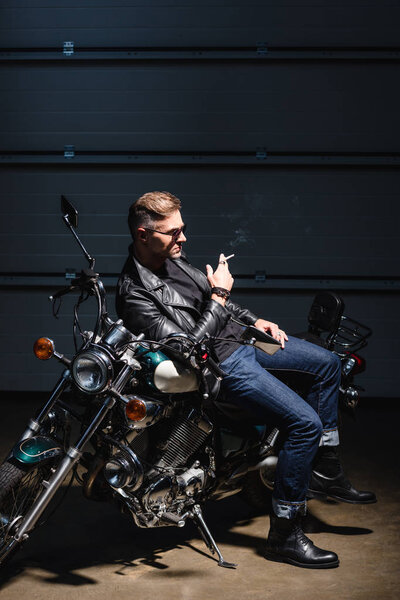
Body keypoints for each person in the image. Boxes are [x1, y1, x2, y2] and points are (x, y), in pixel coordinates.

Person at [116, 190, 376, 569]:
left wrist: (254, 321)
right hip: (222, 367)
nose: (183, 239)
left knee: (327, 364)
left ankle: (326, 468)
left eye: (182, 230)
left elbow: (216, 302)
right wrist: (220, 294)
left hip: (244, 342)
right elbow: (189, 346)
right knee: (305, 423)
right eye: (173, 233)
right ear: (143, 235)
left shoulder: (172, 257)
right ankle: (285, 535)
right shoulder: (134, 294)